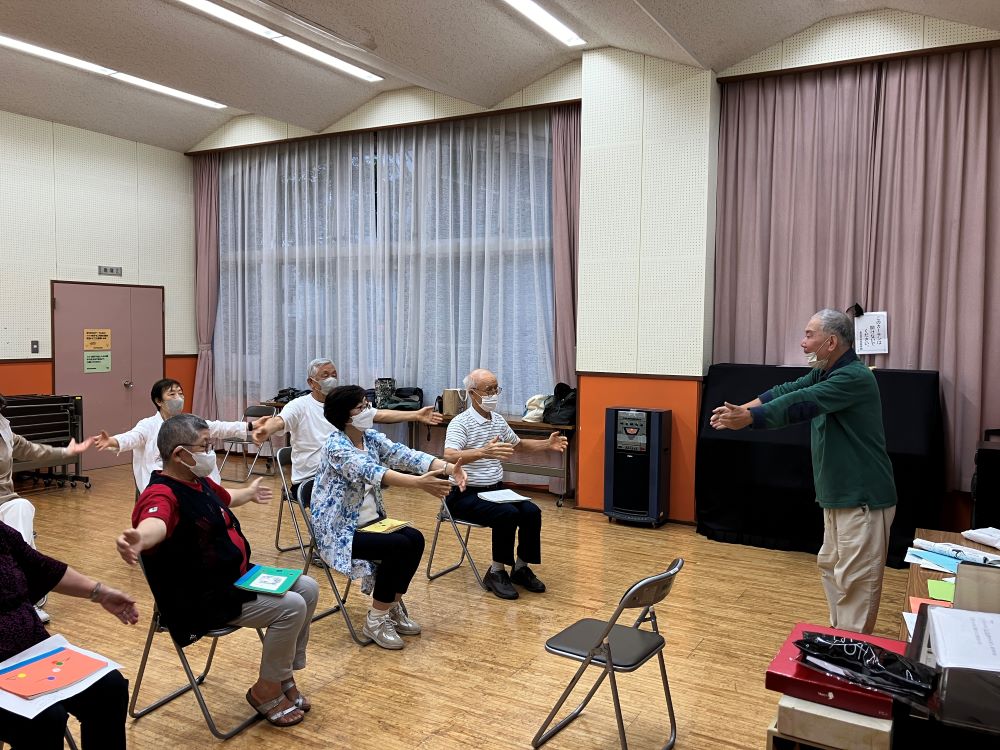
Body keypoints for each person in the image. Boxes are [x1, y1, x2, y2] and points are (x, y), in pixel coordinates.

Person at [115, 414, 319, 728]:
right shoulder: (160, 494)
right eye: (205, 446)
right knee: (291, 607)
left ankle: (281, 676)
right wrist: (140, 538)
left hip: (232, 578)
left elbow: (226, 498)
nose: (211, 452)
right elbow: (155, 523)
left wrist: (248, 493)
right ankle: (266, 690)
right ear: (180, 454)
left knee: (308, 587)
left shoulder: (197, 482)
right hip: (200, 598)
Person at [710, 308, 897, 634]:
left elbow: (803, 402)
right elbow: (787, 391)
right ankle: (841, 639)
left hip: (863, 497)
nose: (803, 342)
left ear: (831, 342)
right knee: (833, 569)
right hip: (838, 495)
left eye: (810, 335)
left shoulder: (853, 377)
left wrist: (750, 419)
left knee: (855, 582)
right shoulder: (826, 372)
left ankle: (849, 648)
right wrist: (743, 409)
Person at [310, 385, 466, 650]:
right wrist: (419, 483)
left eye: (367, 405)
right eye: (361, 407)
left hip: (371, 523)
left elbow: (406, 456)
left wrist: (450, 468)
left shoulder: (369, 438)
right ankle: (376, 620)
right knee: (397, 546)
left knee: (414, 539)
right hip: (338, 532)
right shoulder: (336, 447)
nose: (368, 410)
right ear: (345, 416)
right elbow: (373, 472)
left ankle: (389, 607)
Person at [0, 520, 139, 750]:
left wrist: (100, 593)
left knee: (110, 688)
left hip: (30, 652)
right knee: (44, 720)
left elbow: (42, 568)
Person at [442, 369, 568, 600]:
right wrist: (483, 452)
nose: (493, 394)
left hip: (495, 490)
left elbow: (518, 445)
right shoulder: (461, 423)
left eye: (495, 389)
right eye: (488, 390)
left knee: (532, 512)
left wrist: (546, 444)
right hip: (463, 493)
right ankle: (496, 572)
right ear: (472, 393)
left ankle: (520, 568)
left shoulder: (497, 420)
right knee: (507, 513)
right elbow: (449, 455)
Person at [253, 358, 444, 499]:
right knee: (363, 489)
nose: (331, 379)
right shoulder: (299, 406)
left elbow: (380, 414)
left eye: (334, 375)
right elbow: (279, 421)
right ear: (311, 382)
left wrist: (416, 415)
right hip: (313, 480)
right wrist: (265, 430)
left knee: (367, 489)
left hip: (347, 473)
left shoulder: (344, 404)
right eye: (325, 376)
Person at [0, 393, 95, 622]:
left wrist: (66, 452)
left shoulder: (4, 427)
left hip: (5, 501)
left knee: (21, 507)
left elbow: (29, 449)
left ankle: (27, 594)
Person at [93, 378, 263, 491]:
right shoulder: (148, 425)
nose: (179, 398)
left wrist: (250, 425)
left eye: (181, 393)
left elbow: (218, 427)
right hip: (162, 483)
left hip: (191, 478)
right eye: (172, 394)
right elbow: (133, 437)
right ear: (159, 401)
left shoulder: (190, 421)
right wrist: (113, 441)